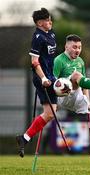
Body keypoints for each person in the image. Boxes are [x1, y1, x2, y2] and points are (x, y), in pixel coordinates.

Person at [16, 8, 57, 157]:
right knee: (50, 113)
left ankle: (24, 138)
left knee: (50, 114)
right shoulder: (38, 37)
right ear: (40, 23)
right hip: (43, 79)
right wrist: (43, 78)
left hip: (51, 77)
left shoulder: (51, 34)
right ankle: (25, 137)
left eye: (50, 18)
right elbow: (34, 61)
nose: (50, 21)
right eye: (47, 20)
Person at [53, 34, 90, 114]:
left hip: (76, 96)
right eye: (74, 47)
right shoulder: (58, 60)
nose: (78, 50)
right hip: (63, 96)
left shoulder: (80, 61)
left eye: (79, 47)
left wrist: (88, 103)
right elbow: (53, 83)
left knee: (79, 78)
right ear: (66, 47)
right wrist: (53, 103)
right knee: (76, 75)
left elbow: (85, 85)